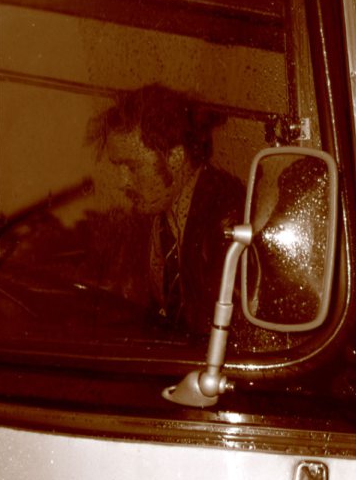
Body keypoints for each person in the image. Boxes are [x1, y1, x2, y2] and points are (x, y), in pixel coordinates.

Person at [83, 83, 244, 334]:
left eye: (132, 167)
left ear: (175, 158)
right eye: (118, 167)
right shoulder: (151, 214)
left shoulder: (228, 220)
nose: (121, 182)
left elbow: (224, 332)